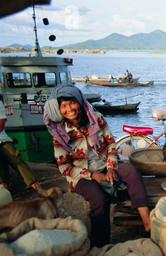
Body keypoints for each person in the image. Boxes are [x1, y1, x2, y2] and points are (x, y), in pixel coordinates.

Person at [43, 84, 151, 247]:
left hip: (105, 164)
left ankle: (147, 222)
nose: (69, 109)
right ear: (58, 110)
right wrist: (94, 175)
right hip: (80, 176)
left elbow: (111, 144)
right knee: (99, 199)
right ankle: (101, 245)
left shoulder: (96, 118)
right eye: (63, 106)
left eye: (72, 103)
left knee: (132, 171)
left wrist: (110, 167)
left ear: (79, 101)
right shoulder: (59, 132)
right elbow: (64, 167)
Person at [0, 101, 42, 192]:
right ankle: (4, 187)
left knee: (15, 158)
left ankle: (35, 185)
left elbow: (1, 124)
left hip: (2, 139)